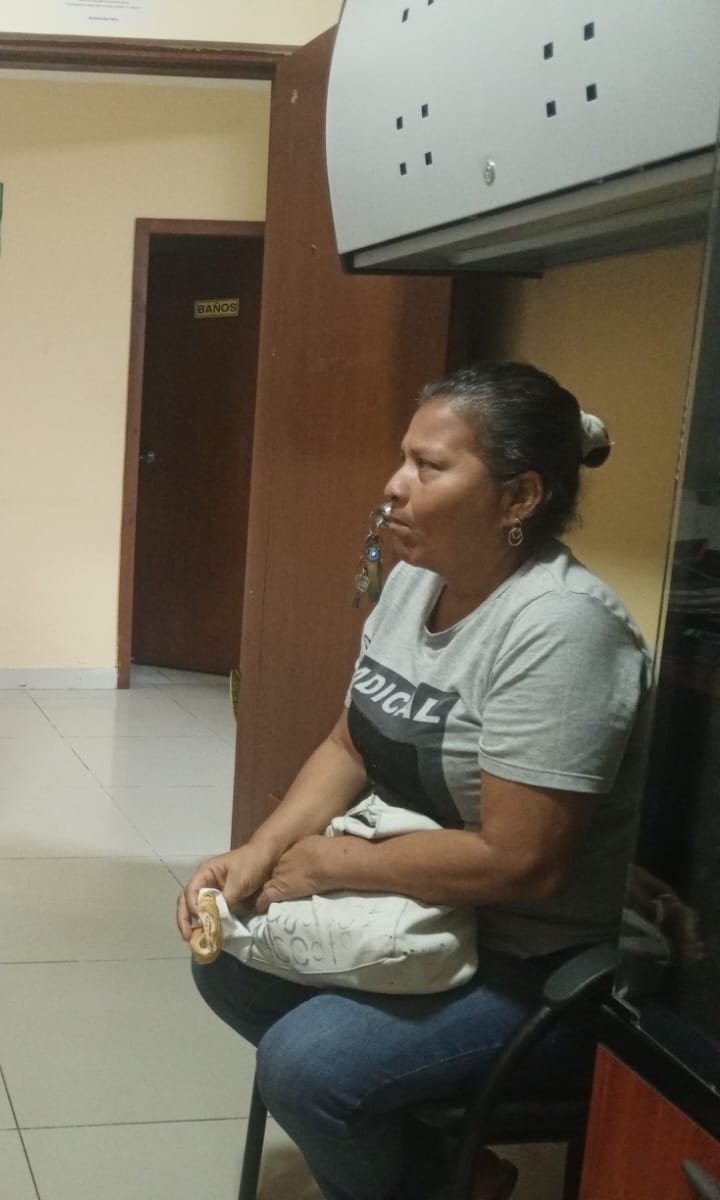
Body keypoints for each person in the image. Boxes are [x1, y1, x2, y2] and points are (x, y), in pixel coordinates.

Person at [178, 362, 650, 1200]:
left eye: (429, 467)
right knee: (226, 962)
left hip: (528, 961)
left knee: (309, 1067)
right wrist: (261, 849)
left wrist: (334, 865)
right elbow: (349, 744)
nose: (394, 486)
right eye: (405, 458)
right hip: (416, 913)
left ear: (519, 497)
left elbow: (522, 862)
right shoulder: (412, 584)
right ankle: (447, 1172)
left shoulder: (561, 629)